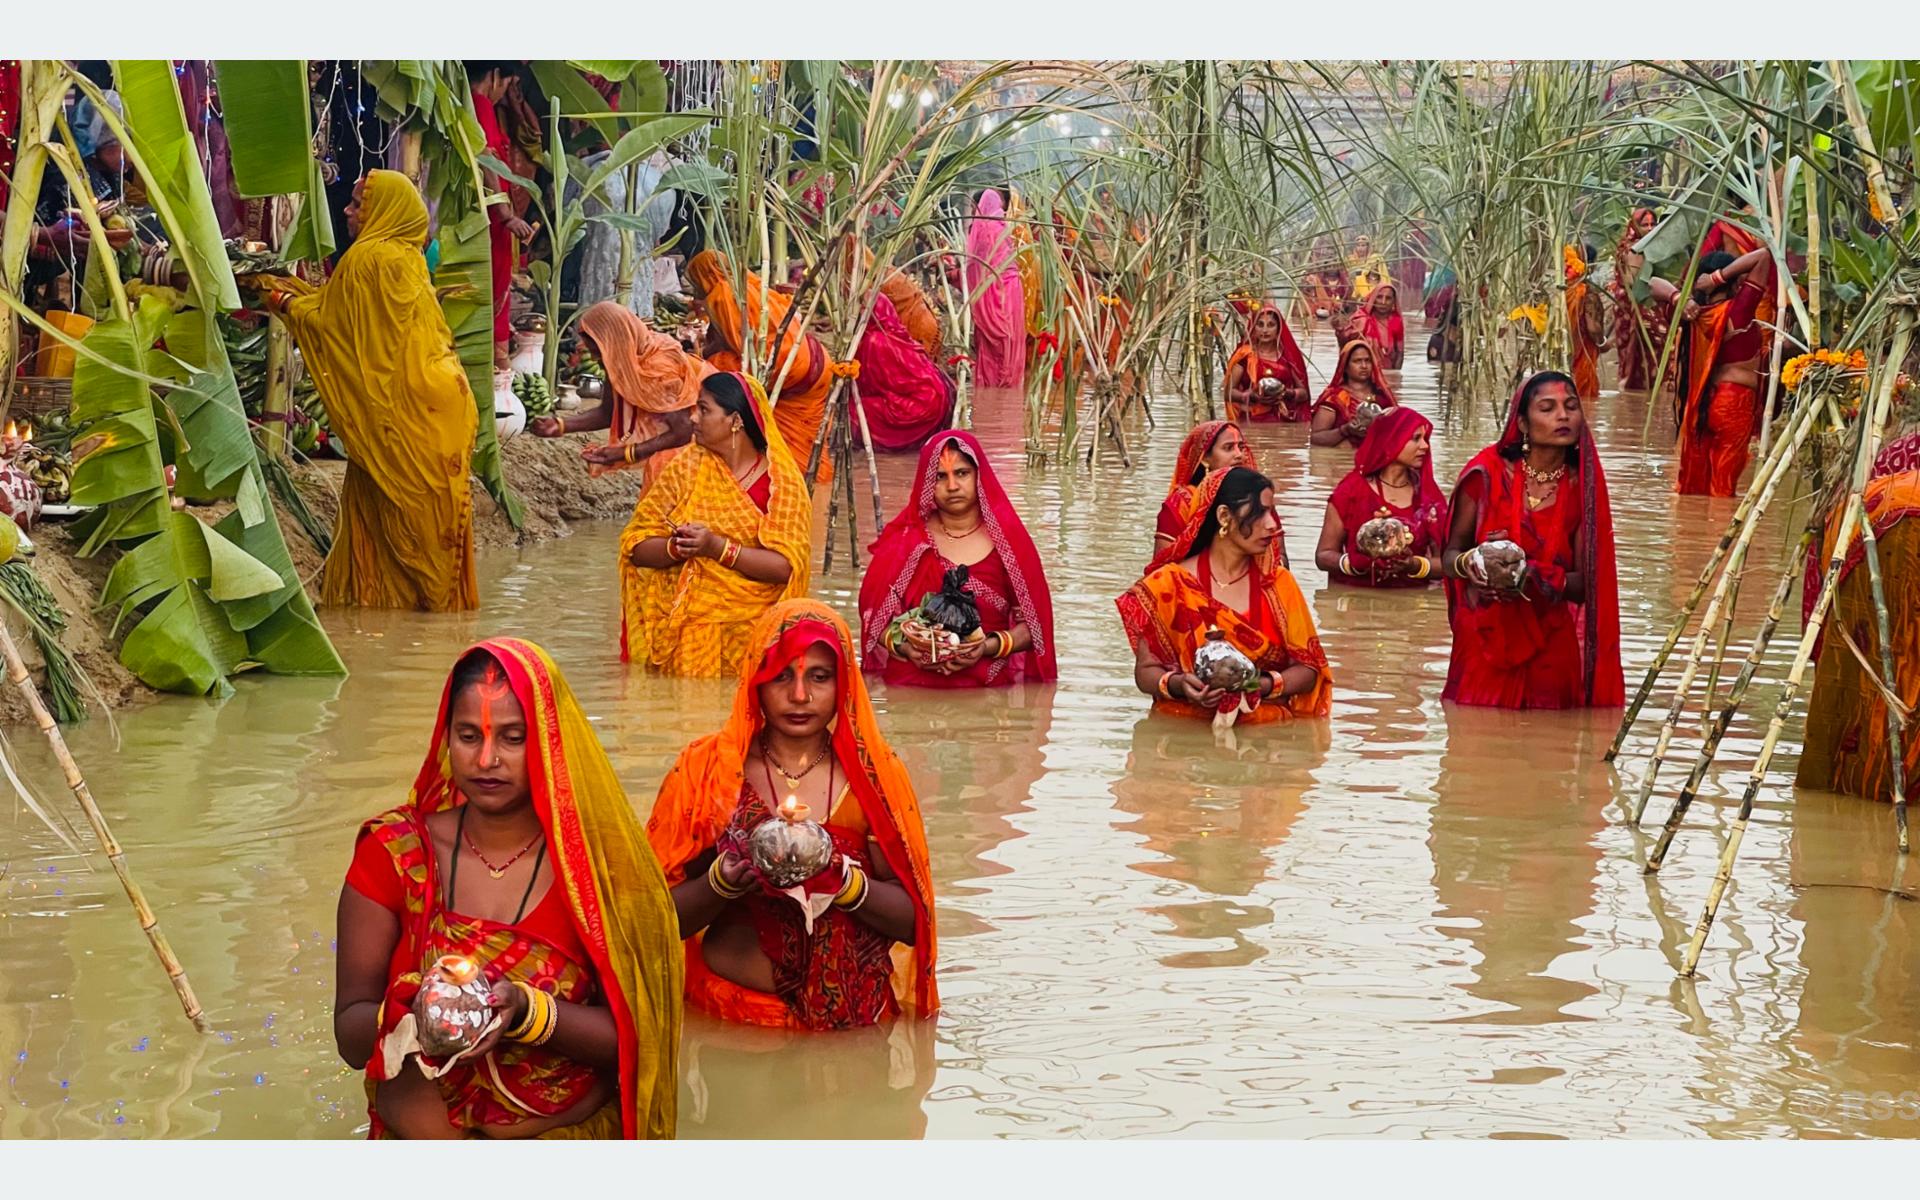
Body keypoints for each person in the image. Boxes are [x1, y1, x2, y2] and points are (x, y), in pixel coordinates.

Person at [333, 639, 682, 1139]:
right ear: (445, 739)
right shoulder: (394, 852)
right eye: (469, 735)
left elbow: (640, 1040)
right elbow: (349, 1033)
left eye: (513, 738)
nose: (487, 759)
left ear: (550, 741)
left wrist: (525, 1010)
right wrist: (419, 1012)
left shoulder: (603, 870)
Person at [647, 600, 938, 1030]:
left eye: (819, 677)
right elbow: (650, 921)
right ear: (754, 681)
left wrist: (842, 881)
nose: (799, 695)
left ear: (844, 685)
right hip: (729, 1023)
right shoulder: (708, 771)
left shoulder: (875, 778)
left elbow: (916, 924)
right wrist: (723, 883)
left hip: (853, 1028)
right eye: (781, 675)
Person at [266, 171, 478, 612]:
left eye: (358, 203)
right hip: (442, 404)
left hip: (408, 412)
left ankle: (421, 626)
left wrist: (282, 301)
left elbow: (335, 330)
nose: (347, 209)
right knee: (418, 517)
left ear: (382, 212)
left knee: (412, 527)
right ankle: (410, 622)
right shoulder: (408, 256)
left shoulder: (368, 259)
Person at [1439, 371, 1623, 709]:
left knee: (1550, 750)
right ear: (1523, 423)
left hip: (1550, 646)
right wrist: (1473, 563)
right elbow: (1450, 556)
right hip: (1484, 640)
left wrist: (1532, 577)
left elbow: (1586, 586)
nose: (1563, 416)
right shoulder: (1487, 474)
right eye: (1548, 408)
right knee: (1473, 745)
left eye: (1570, 406)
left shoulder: (1582, 489)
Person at [618, 371, 811, 677]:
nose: (693, 418)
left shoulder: (781, 485)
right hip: (682, 634)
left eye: (704, 409)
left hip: (755, 639)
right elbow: (636, 548)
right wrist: (678, 548)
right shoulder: (685, 468)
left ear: (735, 421)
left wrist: (716, 548)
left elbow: (787, 567)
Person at [1118, 466, 1333, 724]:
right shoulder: (1168, 585)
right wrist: (1178, 684)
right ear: (1223, 516)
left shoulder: (1278, 583)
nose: (1273, 524)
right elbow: (1145, 673)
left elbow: (1309, 670)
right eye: (1260, 512)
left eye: (1272, 512)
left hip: (1266, 742)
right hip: (1182, 738)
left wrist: (1260, 685)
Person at [858, 431, 1056, 687]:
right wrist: (907, 647)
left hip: (987, 695)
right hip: (909, 690)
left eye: (961, 473)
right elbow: (872, 618)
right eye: (940, 476)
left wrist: (985, 647)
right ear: (926, 482)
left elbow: (1034, 627)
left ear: (979, 476)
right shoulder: (906, 540)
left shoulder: (1010, 543)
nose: (952, 486)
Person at [1797, 439, 1920, 804]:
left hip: (1864, 543)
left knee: (1868, 700)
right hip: (1882, 547)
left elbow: (1819, 579)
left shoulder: (1885, 459)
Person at [684, 249, 835, 470]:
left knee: (710, 371)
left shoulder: (723, 294)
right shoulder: (749, 283)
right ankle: (812, 495)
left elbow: (741, 348)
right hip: (817, 362)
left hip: (789, 368)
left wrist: (701, 361)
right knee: (805, 444)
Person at [530, 301, 708, 483]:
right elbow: (607, 413)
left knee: (665, 476)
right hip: (683, 442)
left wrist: (626, 453)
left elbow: (683, 431)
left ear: (613, 342)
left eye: (597, 351)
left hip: (704, 443)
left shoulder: (661, 367)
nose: (593, 358)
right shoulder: (622, 357)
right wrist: (559, 425)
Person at [1667, 244, 1776, 496]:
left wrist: (1677, 297)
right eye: (1737, 280)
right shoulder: (1738, 311)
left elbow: (1654, 284)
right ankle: (1716, 532)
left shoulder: (1693, 313)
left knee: (1700, 487)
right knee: (1723, 492)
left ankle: (1691, 531)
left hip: (1702, 405)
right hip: (1733, 404)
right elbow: (1762, 257)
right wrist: (1719, 277)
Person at [1315, 406, 1448, 588]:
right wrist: (1358, 564)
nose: (1425, 446)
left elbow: (1449, 563)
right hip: (1354, 603)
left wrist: (1413, 565)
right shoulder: (1351, 492)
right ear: (1391, 441)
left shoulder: (1428, 497)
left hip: (1411, 604)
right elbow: (1323, 556)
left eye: (1425, 439)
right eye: (1416, 438)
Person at [466, 62, 537, 368]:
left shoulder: (476, 106)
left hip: (492, 221)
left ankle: (498, 375)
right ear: (495, 76)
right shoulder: (480, 105)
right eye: (506, 84)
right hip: (491, 223)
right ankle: (497, 375)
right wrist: (506, 214)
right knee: (492, 298)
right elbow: (484, 158)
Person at [850, 293, 955, 451]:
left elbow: (868, 387)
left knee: (853, 409)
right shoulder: (899, 333)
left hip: (921, 405)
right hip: (940, 397)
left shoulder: (874, 342)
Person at [1152, 420, 1261, 571]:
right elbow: (1160, 570)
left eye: (1241, 447)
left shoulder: (1257, 498)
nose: (1239, 455)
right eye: (1228, 448)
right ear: (1204, 458)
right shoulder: (1181, 505)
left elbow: (1278, 559)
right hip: (1191, 588)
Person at [965, 189, 1027, 390]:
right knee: (1010, 343)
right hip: (1011, 294)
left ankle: (989, 397)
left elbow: (975, 268)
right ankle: (1008, 396)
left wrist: (952, 275)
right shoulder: (1005, 228)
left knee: (992, 348)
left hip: (992, 298)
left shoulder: (983, 231)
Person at [1609, 208, 1667, 392]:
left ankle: (1636, 394)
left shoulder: (1636, 246)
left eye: (1653, 224)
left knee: (1635, 356)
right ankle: (1638, 395)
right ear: (1635, 226)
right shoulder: (1635, 248)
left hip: (1629, 307)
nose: (1650, 229)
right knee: (1643, 353)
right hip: (1636, 309)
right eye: (1645, 225)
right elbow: (1635, 284)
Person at [1224, 303, 1311, 423]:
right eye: (1260, 325)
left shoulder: (1288, 357)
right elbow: (1228, 393)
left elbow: (1304, 393)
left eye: (1271, 325)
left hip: (1283, 422)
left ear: (1278, 328)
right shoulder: (1245, 356)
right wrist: (1249, 396)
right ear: (1254, 327)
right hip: (1251, 422)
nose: (1265, 330)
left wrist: (1286, 393)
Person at [1310, 340, 1399, 449]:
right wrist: (1345, 430)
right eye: (1357, 361)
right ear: (1345, 366)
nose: (1364, 366)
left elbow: (1398, 431)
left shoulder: (1382, 396)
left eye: (1368, 361)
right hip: (1342, 461)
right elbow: (1315, 438)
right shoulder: (1334, 398)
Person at [1564, 245, 1606, 400]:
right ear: (1591, 267)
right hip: (1582, 356)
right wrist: (1603, 342)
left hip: (1563, 354)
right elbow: (1593, 328)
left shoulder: (1562, 291)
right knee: (1584, 400)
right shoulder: (1587, 294)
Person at [1348, 282, 1406, 370]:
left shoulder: (1396, 321)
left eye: (1388, 298)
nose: (1383, 302)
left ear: (1393, 301)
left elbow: (1400, 353)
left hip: (1387, 372)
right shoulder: (1360, 319)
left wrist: (1395, 377)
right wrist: (1340, 329)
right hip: (1363, 373)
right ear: (1373, 299)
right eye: (1379, 297)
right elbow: (1347, 347)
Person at [1345, 235, 1390, 302]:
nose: (1360, 248)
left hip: (1373, 287)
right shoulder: (1350, 260)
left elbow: (1379, 274)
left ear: (1368, 247)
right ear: (1355, 247)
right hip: (1354, 290)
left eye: (1363, 245)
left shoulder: (1374, 259)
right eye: (1358, 245)